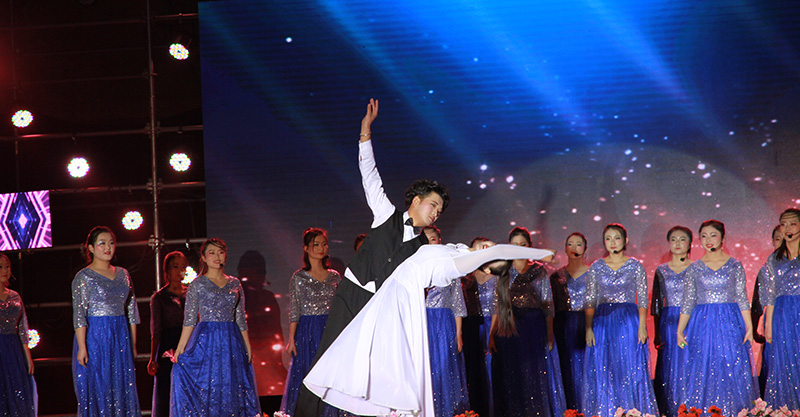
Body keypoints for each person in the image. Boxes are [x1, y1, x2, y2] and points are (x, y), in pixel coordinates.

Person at [295, 98, 449, 417]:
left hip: (381, 309)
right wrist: (365, 130)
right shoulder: (386, 215)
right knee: (325, 362)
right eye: (433, 205)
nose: (436, 212)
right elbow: (370, 175)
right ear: (416, 200)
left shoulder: (424, 248)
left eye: (440, 210)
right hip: (351, 295)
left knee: (375, 374)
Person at [304, 241, 555, 416]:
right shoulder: (460, 250)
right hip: (393, 290)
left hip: (402, 298)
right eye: (488, 246)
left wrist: (541, 253)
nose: (488, 247)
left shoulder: (464, 262)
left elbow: (500, 249)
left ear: (486, 267)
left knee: (391, 363)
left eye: (489, 254)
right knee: (368, 350)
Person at [171, 238, 261, 417]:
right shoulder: (198, 284)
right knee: (209, 385)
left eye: (220, 252)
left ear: (226, 256)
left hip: (231, 341)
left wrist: (248, 346)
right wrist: (180, 349)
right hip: (207, 341)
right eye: (211, 253)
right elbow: (189, 320)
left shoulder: (235, 283)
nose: (217, 256)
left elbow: (240, 318)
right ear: (204, 257)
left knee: (231, 384)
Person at [677, 220, 757, 416]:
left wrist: (749, 327)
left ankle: (734, 411)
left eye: (713, 235)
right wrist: (679, 330)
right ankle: (702, 411)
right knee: (703, 365)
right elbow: (688, 301)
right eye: (703, 236)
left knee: (731, 364)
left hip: (729, 320)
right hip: (702, 322)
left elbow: (742, 297)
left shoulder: (734, 265)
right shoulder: (694, 268)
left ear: (723, 237)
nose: (708, 240)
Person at [582, 223, 657, 417]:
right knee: (605, 367)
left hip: (628, 321)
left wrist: (642, 326)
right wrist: (588, 327)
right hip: (603, 322)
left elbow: (642, 299)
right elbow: (589, 300)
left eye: (617, 238)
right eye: (608, 238)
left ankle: (633, 411)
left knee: (629, 367)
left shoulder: (635, 266)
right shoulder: (596, 267)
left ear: (626, 240)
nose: (612, 242)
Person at [490, 226, 566, 417]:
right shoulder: (503, 270)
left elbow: (547, 305)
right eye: (514, 244)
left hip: (533, 326)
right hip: (510, 327)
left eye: (523, 244)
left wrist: (549, 335)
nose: (518, 248)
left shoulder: (539, 271)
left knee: (533, 373)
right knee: (512, 373)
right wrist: (491, 334)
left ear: (529, 246)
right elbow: (496, 305)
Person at [71, 226, 141, 417]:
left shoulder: (123, 274)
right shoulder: (84, 277)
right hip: (96, 336)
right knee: (99, 384)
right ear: (91, 248)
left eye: (111, 243)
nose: (108, 248)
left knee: (121, 384)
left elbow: (132, 310)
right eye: (102, 243)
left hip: (120, 335)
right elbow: (79, 314)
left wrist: (133, 344)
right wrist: (82, 347)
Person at [280, 228, 341, 416]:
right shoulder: (299, 278)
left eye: (324, 244)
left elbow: (340, 308)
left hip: (330, 330)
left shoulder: (334, 276)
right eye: (316, 244)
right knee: (307, 374)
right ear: (306, 248)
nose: (321, 248)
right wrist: (291, 339)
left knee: (330, 376)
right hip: (307, 331)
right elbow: (295, 310)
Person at [423, 225, 470, 417]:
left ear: (440, 241)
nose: (430, 243)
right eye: (426, 240)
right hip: (421, 323)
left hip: (443, 324)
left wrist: (458, 333)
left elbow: (457, 304)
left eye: (433, 239)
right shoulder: (415, 267)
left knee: (444, 368)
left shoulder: (450, 268)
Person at [650, 226, 692, 417]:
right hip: (668, 322)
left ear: (690, 243)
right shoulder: (661, 270)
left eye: (682, 239)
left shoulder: (697, 267)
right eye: (673, 239)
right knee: (670, 365)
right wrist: (657, 332)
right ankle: (670, 409)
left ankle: (691, 407)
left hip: (691, 320)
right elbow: (656, 303)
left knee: (690, 362)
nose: (677, 243)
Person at [762, 208, 800, 409]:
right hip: (782, 313)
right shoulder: (774, 258)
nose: (787, 228)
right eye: (783, 224)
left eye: (793, 223)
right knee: (784, 360)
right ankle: (786, 409)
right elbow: (770, 294)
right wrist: (768, 325)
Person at [549, 232, 589, 411]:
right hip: (563, 326)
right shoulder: (556, 276)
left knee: (586, 367)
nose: (574, 248)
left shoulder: (593, 274)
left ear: (585, 249)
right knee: (566, 368)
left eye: (578, 244)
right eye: (570, 244)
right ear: (565, 249)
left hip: (586, 325)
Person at [147, 251, 188, 417]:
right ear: (167, 271)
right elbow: (156, 330)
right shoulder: (159, 298)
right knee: (167, 391)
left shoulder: (191, 294)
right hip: (168, 348)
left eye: (183, 267)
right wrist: (153, 358)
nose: (179, 271)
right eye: (175, 267)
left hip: (189, 347)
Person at [460, 237, 495, 417]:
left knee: (490, 370)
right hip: (470, 327)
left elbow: (499, 307)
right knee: (472, 371)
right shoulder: (465, 278)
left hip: (491, 326)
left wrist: (493, 333)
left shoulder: (497, 277)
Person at [0, 252, 37, 417]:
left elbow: (22, 327)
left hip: (14, 348)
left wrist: (27, 356)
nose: (5, 270)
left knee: (17, 391)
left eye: (7, 266)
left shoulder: (15, 296)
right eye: (0, 267)